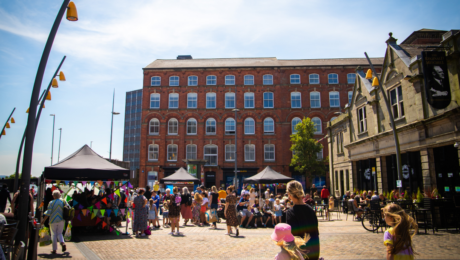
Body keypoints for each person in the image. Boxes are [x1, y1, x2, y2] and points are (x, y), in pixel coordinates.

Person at [286, 180, 320, 260]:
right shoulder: (310, 209)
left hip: (300, 254)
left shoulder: (291, 212)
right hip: (314, 252)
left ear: (289, 195)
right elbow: (316, 233)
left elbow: (292, 237)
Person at [41, 190, 67, 254]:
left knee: (54, 234)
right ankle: (62, 243)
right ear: (59, 195)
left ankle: (54, 250)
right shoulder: (63, 201)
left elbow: (48, 212)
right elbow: (68, 208)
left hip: (53, 220)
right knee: (60, 233)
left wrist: (44, 220)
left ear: (53, 196)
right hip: (61, 220)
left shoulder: (51, 202)